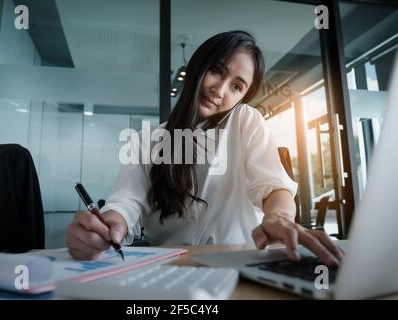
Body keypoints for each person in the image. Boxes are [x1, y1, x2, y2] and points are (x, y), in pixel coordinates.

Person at [66, 30, 343, 266]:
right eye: (217, 70)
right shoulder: (146, 139)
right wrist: (108, 225)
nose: (220, 90)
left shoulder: (245, 120)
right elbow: (127, 202)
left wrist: (279, 217)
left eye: (236, 86)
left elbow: (273, 185)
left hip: (242, 262)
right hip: (173, 267)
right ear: (198, 66)